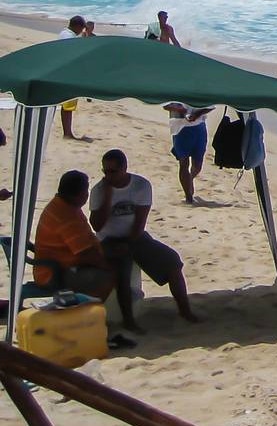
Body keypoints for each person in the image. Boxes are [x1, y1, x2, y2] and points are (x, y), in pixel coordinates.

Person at [89, 149, 199, 328]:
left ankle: (185, 311)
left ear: (124, 168)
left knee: (172, 262)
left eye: (113, 172)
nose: (109, 176)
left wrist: (129, 244)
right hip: (108, 240)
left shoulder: (140, 186)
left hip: (136, 236)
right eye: (105, 172)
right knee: (121, 270)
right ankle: (128, 321)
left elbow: (139, 223)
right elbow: (97, 226)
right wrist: (108, 198)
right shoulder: (99, 190)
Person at [32, 171, 115, 302]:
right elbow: (86, 254)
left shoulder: (63, 204)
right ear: (79, 194)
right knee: (107, 278)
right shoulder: (65, 215)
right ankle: (89, 314)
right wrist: (109, 267)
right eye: (86, 191)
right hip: (55, 273)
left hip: (62, 263)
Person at [165, 102, 211, 203]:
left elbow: (211, 106)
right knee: (183, 163)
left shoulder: (203, 89)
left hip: (199, 126)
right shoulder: (175, 89)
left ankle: (189, 180)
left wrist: (197, 114)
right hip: (180, 128)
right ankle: (188, 196)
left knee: (198, 165)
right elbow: (165, 105)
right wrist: (179, 110)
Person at [56, 15, 87, 140]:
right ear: (77, 26)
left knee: (67, 106)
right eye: (82, 28)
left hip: (62, 72)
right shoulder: (70, 37)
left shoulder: (64, 33)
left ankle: (68, 132)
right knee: (68, 106)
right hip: (67, 75)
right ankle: (67, 133)